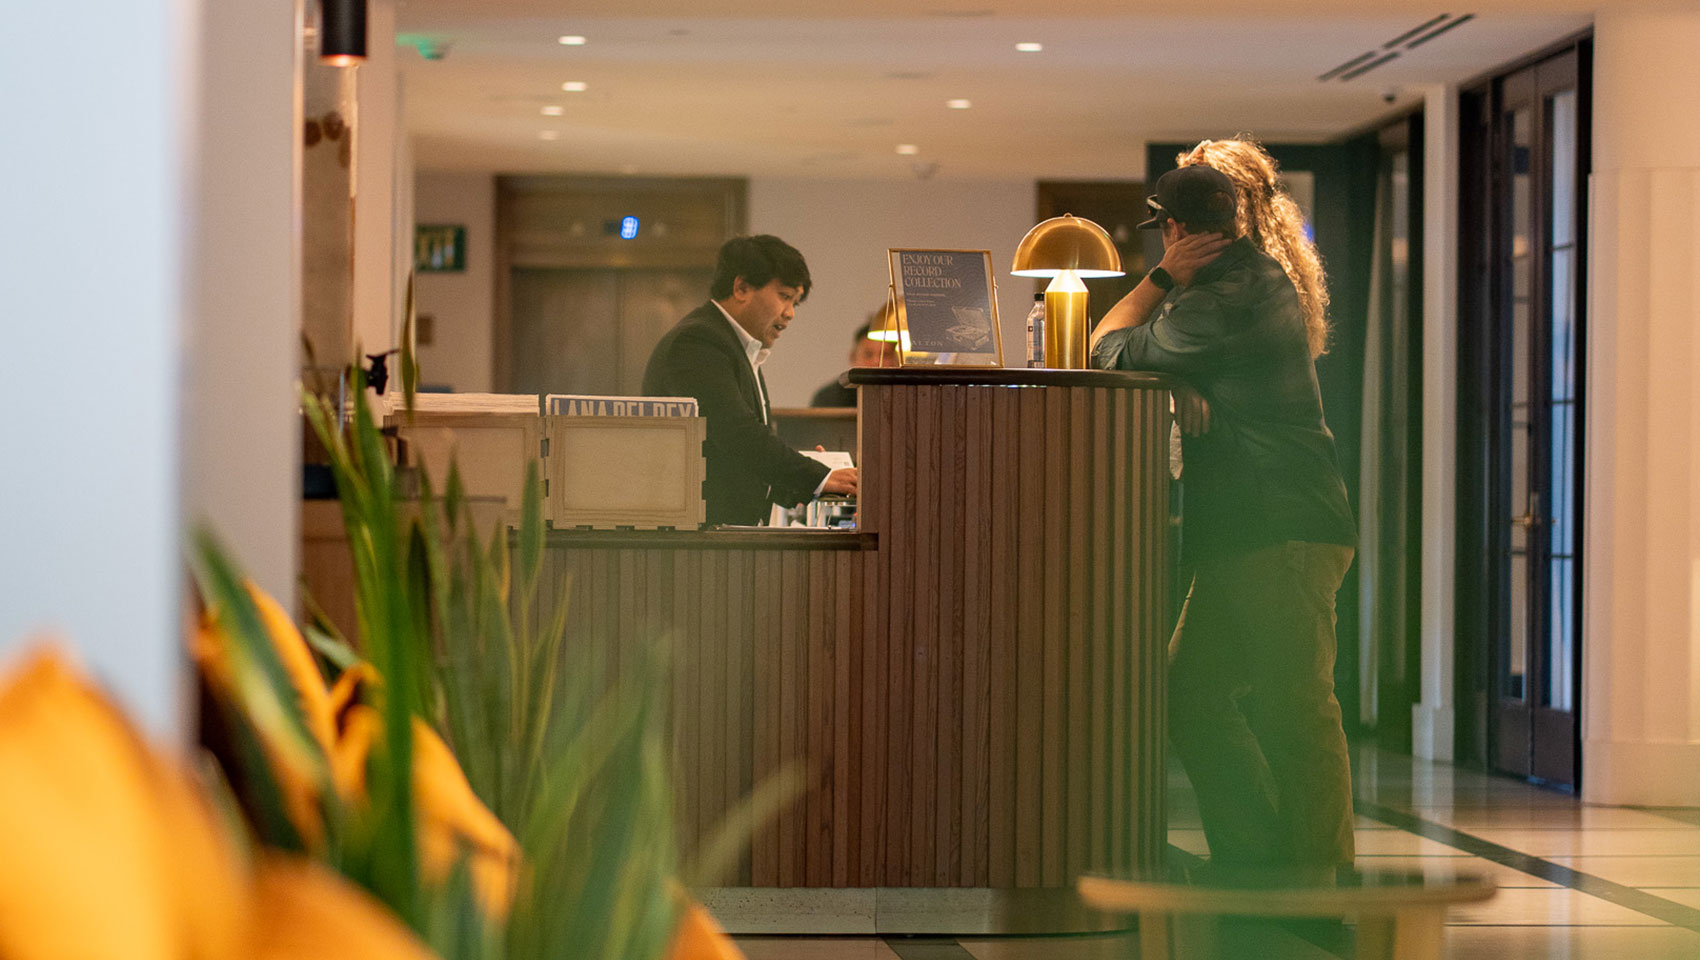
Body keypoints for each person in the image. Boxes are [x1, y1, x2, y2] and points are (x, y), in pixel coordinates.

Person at [1090, 162, 1357, 869]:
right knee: (1191, 693)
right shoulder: (1240, 285)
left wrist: (1160, 280)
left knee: (1298, 710)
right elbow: (1163, 359)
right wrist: (1177, 379)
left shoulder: (1221, 294)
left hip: (1281, 529)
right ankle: (1261, 861)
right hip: (1253, 530)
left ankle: (1318, 886)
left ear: (1173, 229)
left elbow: (1107, 347)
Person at [642, 235, 858, 526]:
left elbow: (737, 459)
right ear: (741, 288)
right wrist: (818, 476)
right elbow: (737, 435)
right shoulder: (698, 342)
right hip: (697, 539)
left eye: (795, 301)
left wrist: (809, 475)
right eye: (784, 296)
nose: (790, 313)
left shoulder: (737, 346)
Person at [810, 310, 898, 408]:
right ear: (853, 358)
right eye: (868, 355)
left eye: (885, 355)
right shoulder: (828, 398)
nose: (877, 361)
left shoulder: (903, 396)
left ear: (896, 360)